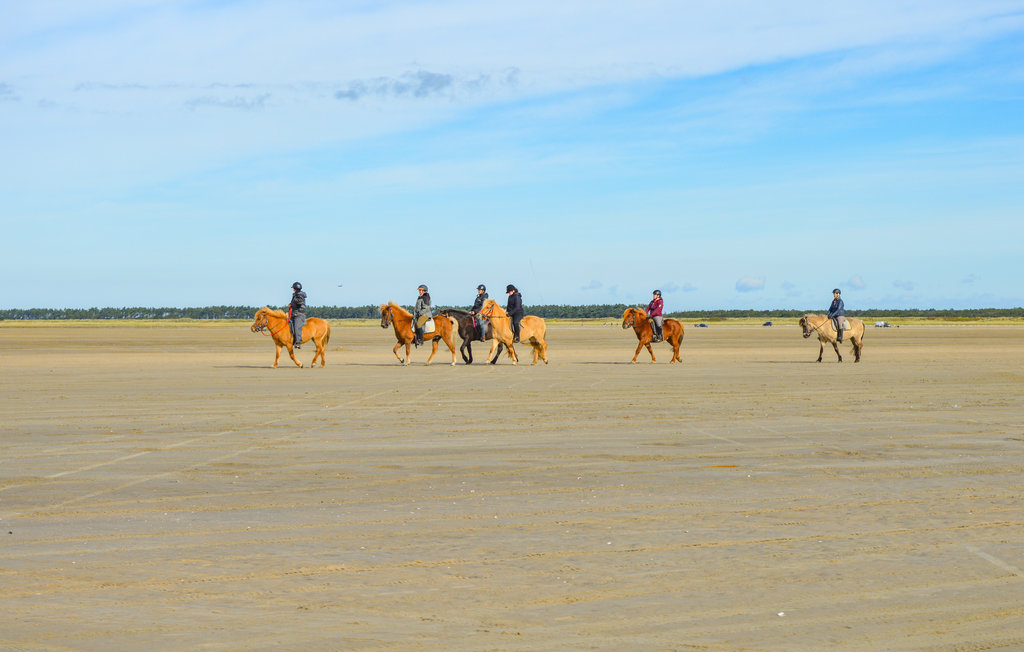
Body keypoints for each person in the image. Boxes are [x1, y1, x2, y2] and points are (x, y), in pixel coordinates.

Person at [289, 281, 306, 349]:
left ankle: (298, 342)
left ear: (295, 288)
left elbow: (299, 302)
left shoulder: (300, 295)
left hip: (299, 314)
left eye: (293, 288)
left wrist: (292, 303)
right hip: (294, 313)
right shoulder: (295, 294)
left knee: (296, 327)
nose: (293, 289)